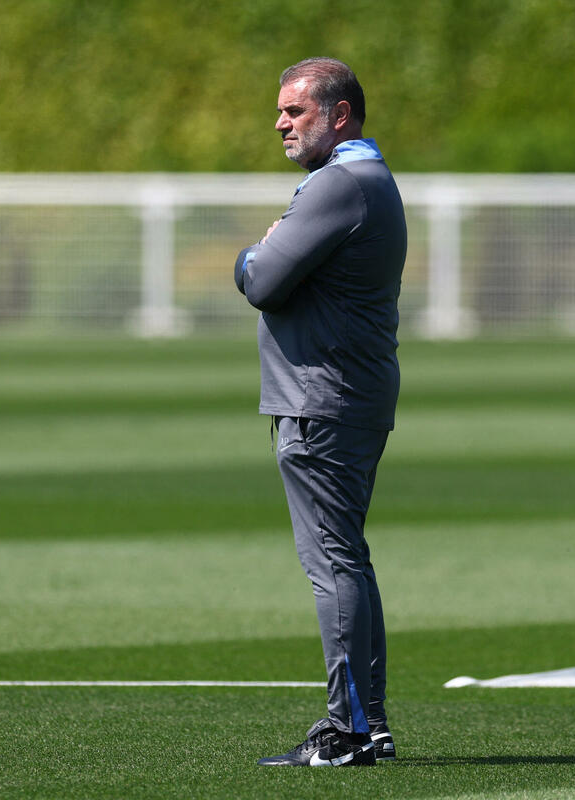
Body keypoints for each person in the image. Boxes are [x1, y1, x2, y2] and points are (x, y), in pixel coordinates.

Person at [234, 57, 407, 767]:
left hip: (321, 401)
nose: (279, 122)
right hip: (346, 395)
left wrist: (253, 251)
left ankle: (350, 731)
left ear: (338, 115)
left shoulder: (339, 184)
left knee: (334, 563)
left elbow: (262, 280)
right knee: (348, 560)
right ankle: (370, 723)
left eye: (294, 110)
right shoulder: (370, 178)